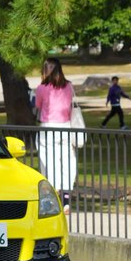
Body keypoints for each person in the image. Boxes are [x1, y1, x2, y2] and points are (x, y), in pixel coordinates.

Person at [33, 56, 78, 213]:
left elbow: (38, 105)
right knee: (67, 162)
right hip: (66, 126)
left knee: (49, 163)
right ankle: (66, 200)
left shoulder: (42, 88)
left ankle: (53, 198)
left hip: (48, 127)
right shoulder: (69, 86)